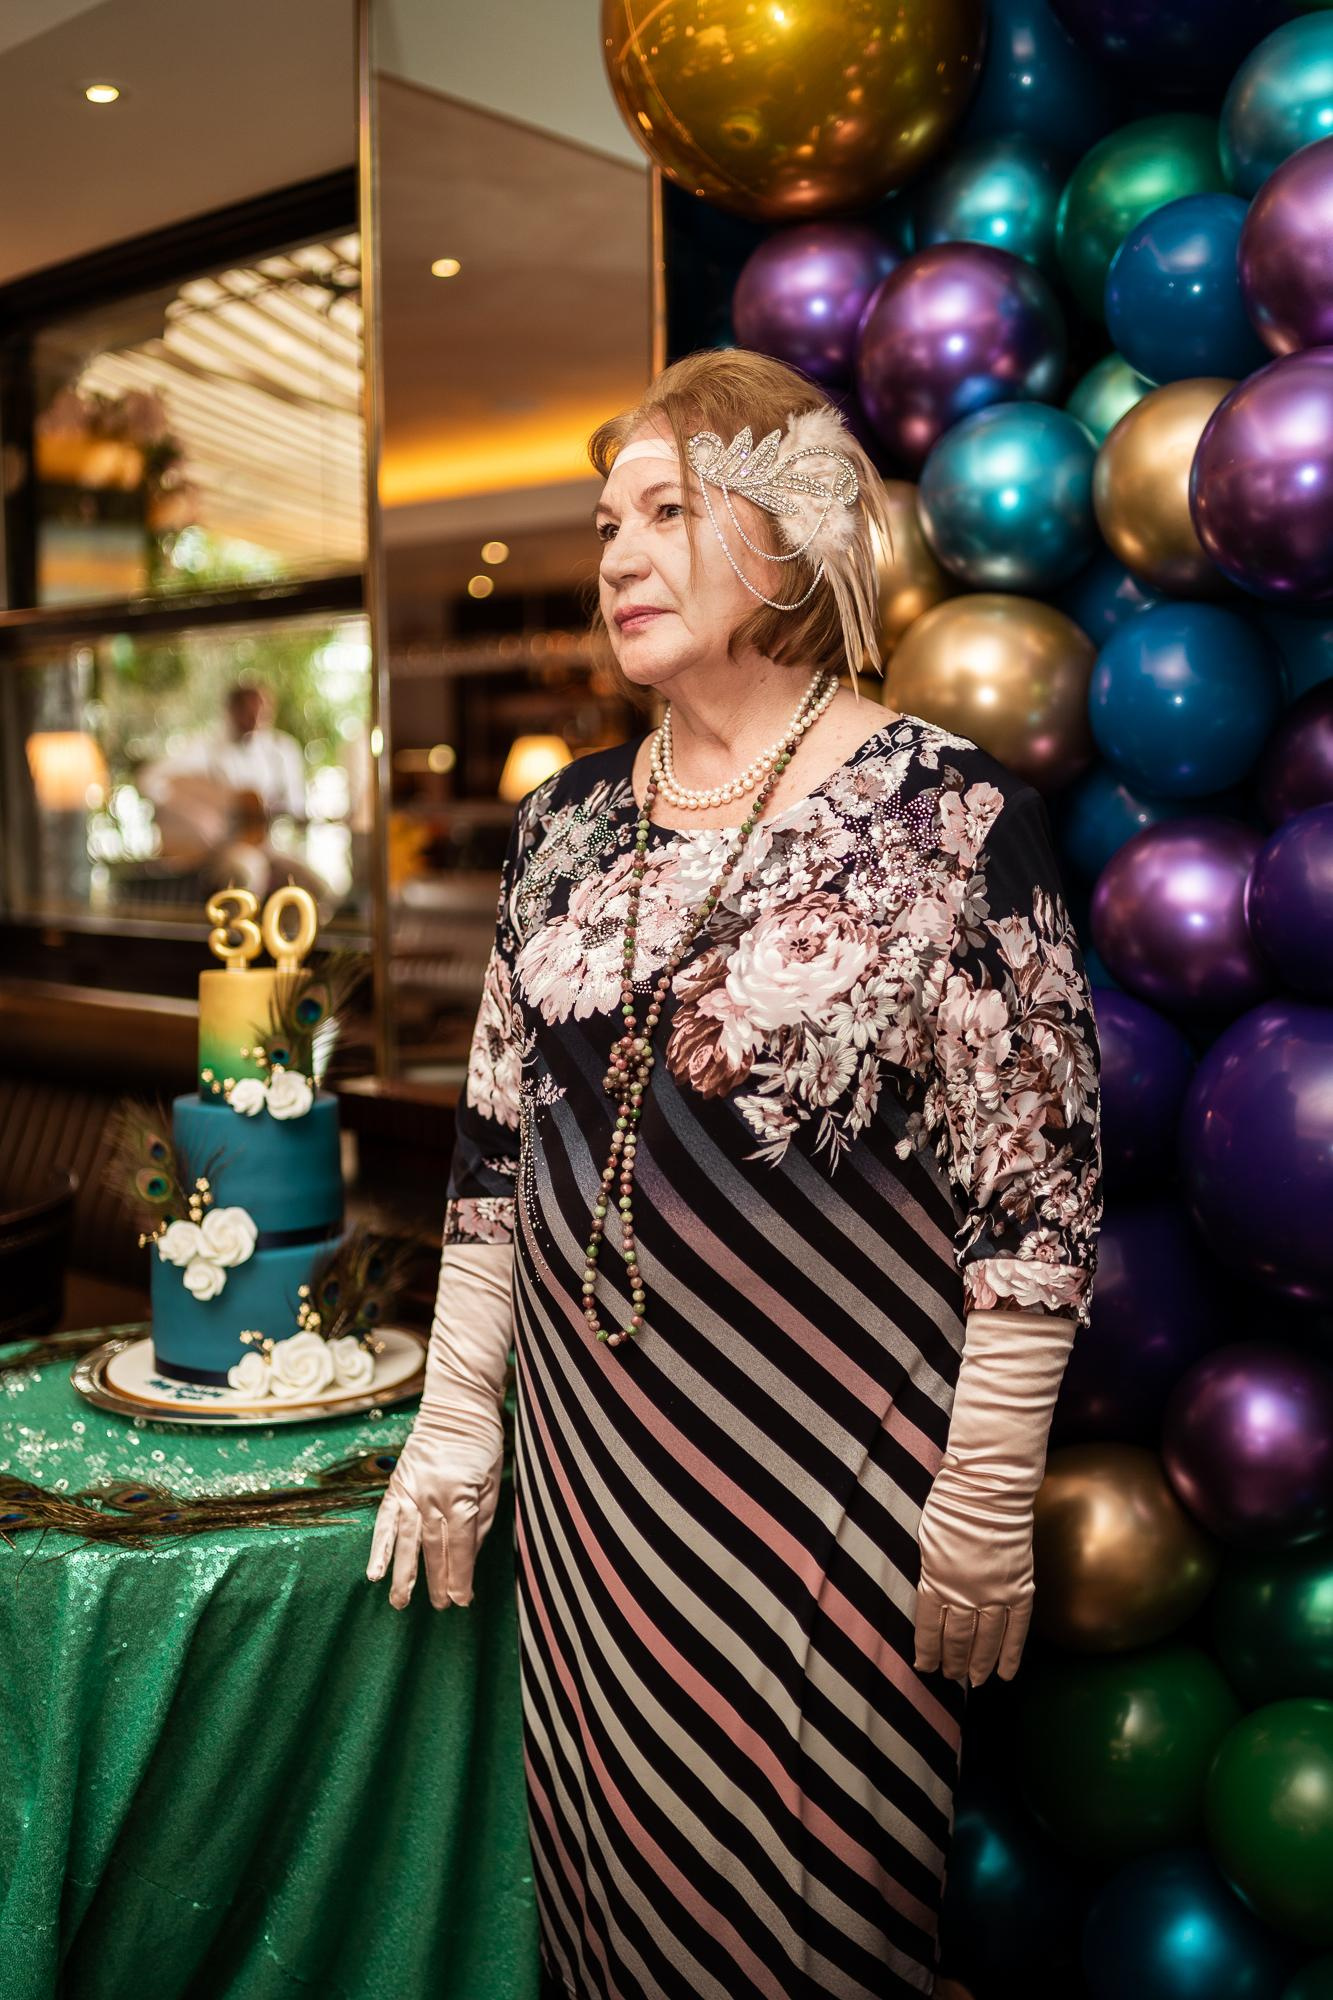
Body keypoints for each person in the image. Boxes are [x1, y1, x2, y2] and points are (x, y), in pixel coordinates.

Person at [367, 348, 1103, 2000]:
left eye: (666, 513)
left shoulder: (946, 814)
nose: (616, 557)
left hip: (836, 1484)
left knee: (817, 1925)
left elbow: (1037, 1193)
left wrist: (985, 1493)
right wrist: (459, 1416)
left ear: (789, 536)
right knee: (610, 1913)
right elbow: (492, 1148)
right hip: (596, 1484)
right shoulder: (562, 823)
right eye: (605, 523)